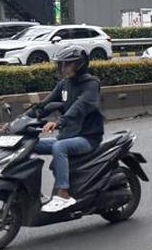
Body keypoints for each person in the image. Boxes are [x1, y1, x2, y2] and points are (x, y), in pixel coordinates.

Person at [34, 45, 105, 212]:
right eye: (61, 64)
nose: (62, 68)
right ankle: (32, 192)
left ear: (79, 64)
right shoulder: (64, 84)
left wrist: (58, 122)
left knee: (59, 147)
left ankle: (64, 193)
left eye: (67, 64)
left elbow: (78, 108)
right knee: (31, 144)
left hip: (87, 138)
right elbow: (43, 105)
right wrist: (16, 122)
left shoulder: (91, 84)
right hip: (68, 135)